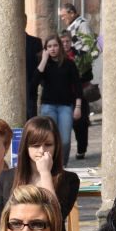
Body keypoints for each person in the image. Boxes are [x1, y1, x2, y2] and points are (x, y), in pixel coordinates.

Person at [0, 116, 79, 231]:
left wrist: (45, 173)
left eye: (48, 144)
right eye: (35, 145)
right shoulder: (7, 178)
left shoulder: (69, 180)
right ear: (26, 147)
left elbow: (55, 217)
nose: (42, 150)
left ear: (56, 146)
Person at [33, 34, 82, 166]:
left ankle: (62, 165)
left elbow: (77, 86)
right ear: (45, 49)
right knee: (49, 138)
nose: (52, 49)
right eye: (49, 46)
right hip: (48, 106)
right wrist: (44, 59)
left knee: (65, 139)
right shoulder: (43, 64)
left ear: (60, 47)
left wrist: (78, 106)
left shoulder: (69, 64)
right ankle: (49, 164)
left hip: (66, 106)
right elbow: (34, 82)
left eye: (55, 45)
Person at [61, 31, 92, 160]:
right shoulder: (57, 57)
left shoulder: (80, 55)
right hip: (64, 96)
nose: (65, 44)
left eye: (67, 41)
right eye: (62, 42)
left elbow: (89, 75)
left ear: (71, 42)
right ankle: (62, 154)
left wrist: (79, 76)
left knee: (81, 124)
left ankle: (81, 149)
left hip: (80, 94)